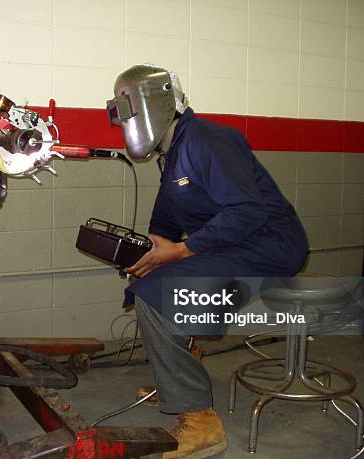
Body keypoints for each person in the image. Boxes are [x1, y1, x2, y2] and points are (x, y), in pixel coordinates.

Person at [106, 64, 309, 458]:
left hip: (271, 245)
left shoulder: (209, 140)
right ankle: (180, 375)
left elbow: (247, 212)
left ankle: (201, 422)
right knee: (153, 278)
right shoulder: (174, 151)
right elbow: (165, 221)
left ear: (154, 104)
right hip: (232, 246)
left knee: (155, 294)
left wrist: (180, 251)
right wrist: (147, 249)